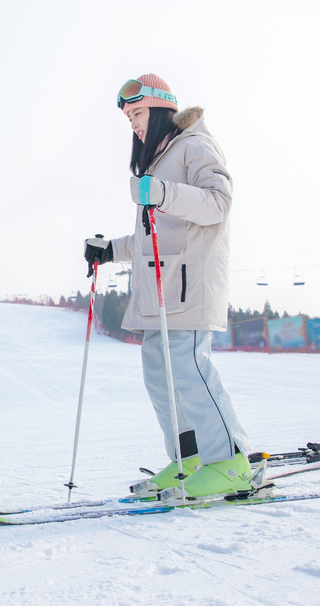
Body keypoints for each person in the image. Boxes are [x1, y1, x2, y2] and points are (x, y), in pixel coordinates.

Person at [84, 74, 252, 499]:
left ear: (160, 109)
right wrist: (110, 250)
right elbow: (151, 238)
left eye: (138, 114)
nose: (134, 124)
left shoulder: (194, 145)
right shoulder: (159, 161)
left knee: (190, 369)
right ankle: (188, 460)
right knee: (160, 376)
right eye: (128, 118)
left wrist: (162, 192)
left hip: (190, 285)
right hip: (161, 292)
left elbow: (218, 203)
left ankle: (230, 462)